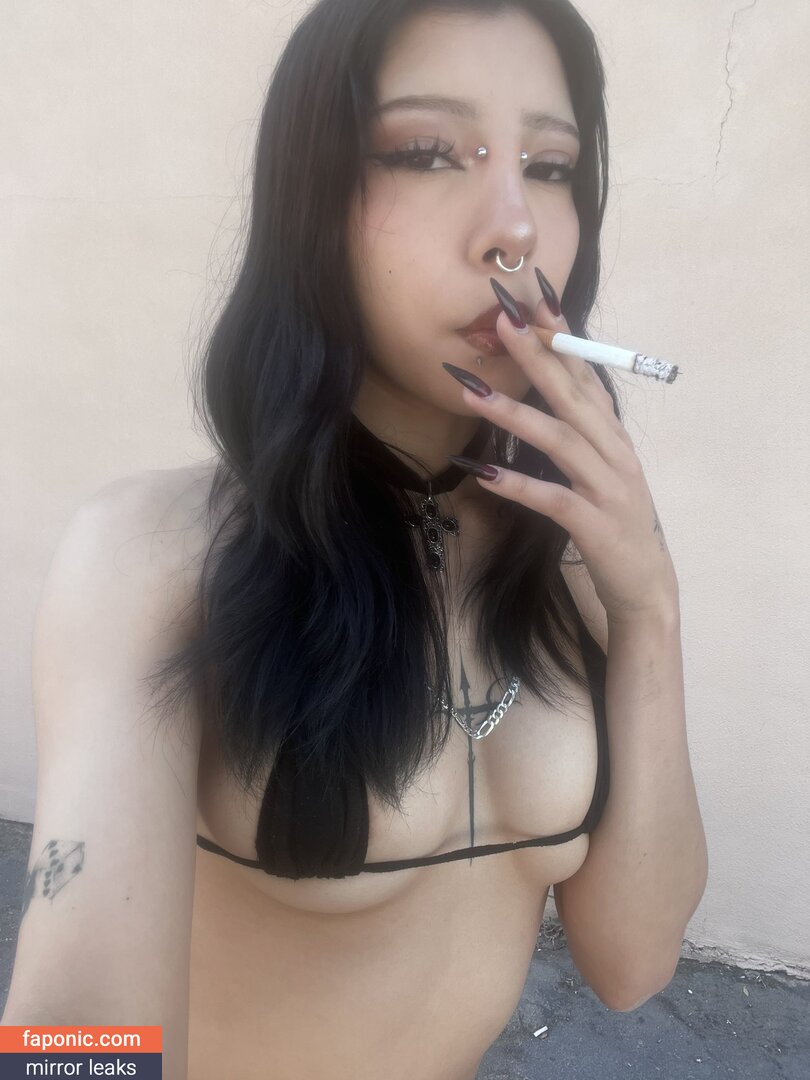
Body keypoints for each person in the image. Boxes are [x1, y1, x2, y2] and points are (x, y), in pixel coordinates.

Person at [3, 1, 708, 1078]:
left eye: (551, 166)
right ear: (311, 199)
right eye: (427, 153)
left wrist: (651, 611)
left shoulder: (579, 559)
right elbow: (76, 1022)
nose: (514, 227)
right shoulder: (155, 557)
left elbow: (632, 963)